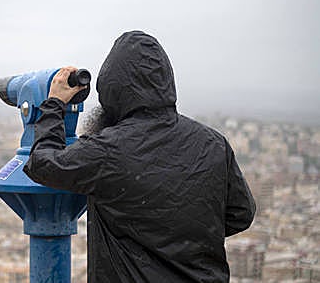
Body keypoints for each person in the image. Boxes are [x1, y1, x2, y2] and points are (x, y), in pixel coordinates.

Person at [23, 31, 256, 283]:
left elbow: (43, 163)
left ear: (111, 89)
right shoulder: (213, 143)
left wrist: (54, 104)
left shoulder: (107, 150)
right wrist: (181, 237)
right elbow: (241, 213)